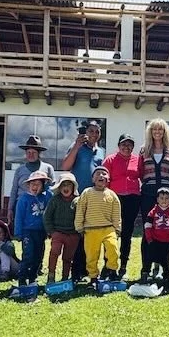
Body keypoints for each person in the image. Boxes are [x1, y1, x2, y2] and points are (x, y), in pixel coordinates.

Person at [61, 120, 105, 280]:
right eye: (91, 131)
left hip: (94, 198)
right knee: (77, 234)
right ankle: (75, 271)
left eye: (97, 132)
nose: (94, 134)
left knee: (90, 235)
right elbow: (65, 166)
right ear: (86, 133)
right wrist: (76, 147)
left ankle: (87, 269)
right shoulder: (77, 147)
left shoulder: (101, 152)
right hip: (77, 197)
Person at [139, 119, 169, 279]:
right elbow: (141, 171)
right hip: (149, 194)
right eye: (154, 129)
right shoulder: (144, 150)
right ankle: (145, 269)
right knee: (147, 229)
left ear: (165, 132)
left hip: (166, 194)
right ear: (150, 132)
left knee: (166, 229)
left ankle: (163, 266)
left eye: (160, 130)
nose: (157, 132)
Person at [74, 165, 122, 286]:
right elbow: (80, 210)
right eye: (98, 174)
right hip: (91, 230)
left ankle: (111, 270)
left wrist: (117, 229)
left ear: (108, 179)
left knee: (113, 250)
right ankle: (93, 277)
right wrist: (79, 226)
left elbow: (116, 214)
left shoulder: (112, 195)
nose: (101, 176)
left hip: (108, 229)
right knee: (91, 255)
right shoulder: (87, 193)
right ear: (93, 179)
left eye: (104, 174)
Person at [103, 133, 142, 275]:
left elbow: (143, 176)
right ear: (118, 146)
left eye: (129, 144)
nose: (127, 147)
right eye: (124, 144)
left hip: (132, 199)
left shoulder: (138, 160)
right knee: (111, 233)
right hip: (115, 199)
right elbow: (103, 180)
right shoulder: (110, 160)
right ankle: (108, 265)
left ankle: (123, 264)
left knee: (127, 233)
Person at [6, 135, 55, 229]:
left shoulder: (48, 168)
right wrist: (10, 209)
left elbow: (52, 189)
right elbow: (14, 190)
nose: (30, 154)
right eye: (28, 152)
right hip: (22, 207)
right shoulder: (19, 170)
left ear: (39, 153)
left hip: (40, 207)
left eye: (34, 152)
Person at [13, 170, 52, 287]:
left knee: (39, 255)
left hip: (41, 232)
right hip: (27, 232)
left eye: (38, 184)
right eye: (32, 184)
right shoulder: (24, 199)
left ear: (43, 186)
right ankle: (22, 279)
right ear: (28, 185)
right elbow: (19, 216)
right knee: (28, 255)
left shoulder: (46, 197)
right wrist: (18, 233)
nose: (35, 187)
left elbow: (51, 200)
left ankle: (32, 278)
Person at [141, 187, 169, 289]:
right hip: (154, 241)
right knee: (148, 258)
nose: (164, 200)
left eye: (167, 198)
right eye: (161, 198)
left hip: (167, 242)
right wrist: (149, 238)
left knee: (166, 261)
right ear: (157, 199)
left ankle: (166, 278)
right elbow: (147, 225)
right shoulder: (153, 211)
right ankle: (145, 274)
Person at [43, 173, 80, 283]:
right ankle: (51, 275)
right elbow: (47, 216)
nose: (66, 188)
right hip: (58, 232)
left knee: (68, 257)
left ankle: (65, 278)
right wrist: (51, 231)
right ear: (59, 187)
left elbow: (82, 215)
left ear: (73, 187)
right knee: (54, 252)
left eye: (69, 185)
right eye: (63, 185)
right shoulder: (55, 200)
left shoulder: (78, 201)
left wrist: (79, 231)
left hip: (73, 233)